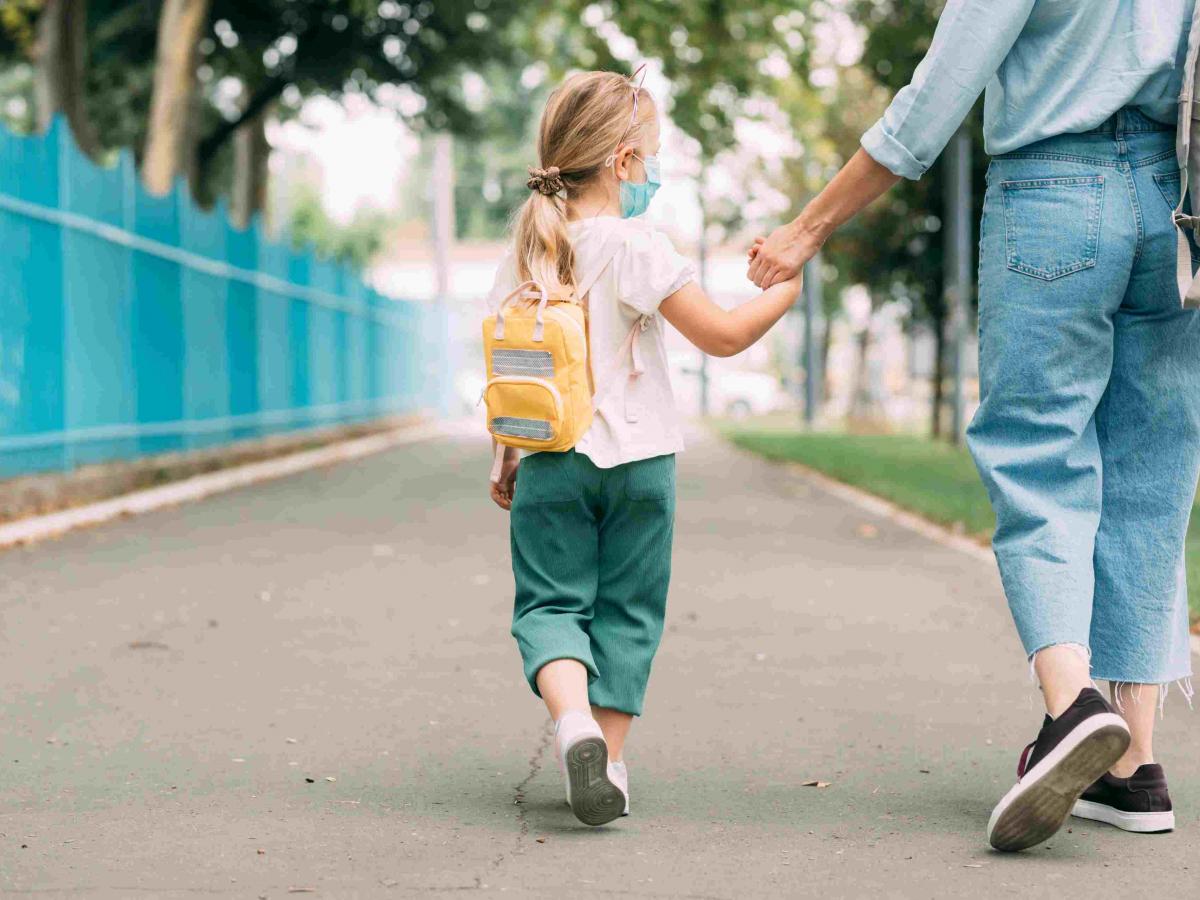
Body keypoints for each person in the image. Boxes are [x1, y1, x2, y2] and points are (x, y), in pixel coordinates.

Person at [749, 0, 1196, 851]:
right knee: (1152, 474)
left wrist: (808, 229)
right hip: (1176, 203)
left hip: (1053, 193)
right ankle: (1134, 766)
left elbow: (937, 93)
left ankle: (1072, 707)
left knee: (1038, 453)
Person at [488, 68, 802, 826]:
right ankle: (611, 762)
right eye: (652, 156)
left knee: (552, 606)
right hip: (641, 466)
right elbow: (723, 336)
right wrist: (785, 289)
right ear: (624, 162)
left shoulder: (530, 247)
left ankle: (572, 728)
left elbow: (510, 363)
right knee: (628, 613)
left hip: (550, 461)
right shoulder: (638, 244)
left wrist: (506, 453)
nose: (656, 172)